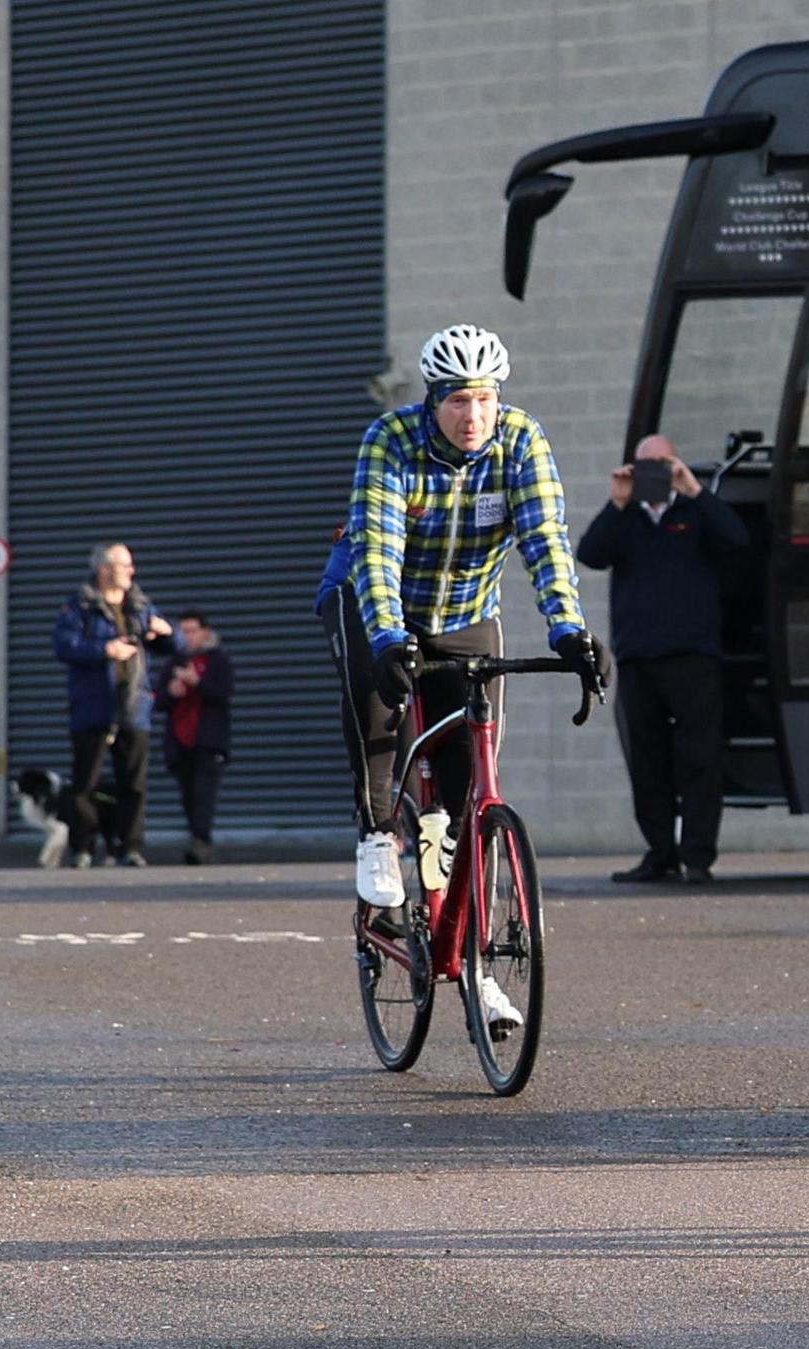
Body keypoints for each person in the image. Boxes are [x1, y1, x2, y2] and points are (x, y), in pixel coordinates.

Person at [317, 325, 603, 964]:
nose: (472, 416)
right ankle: (378, 838)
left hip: (467, 611)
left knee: (467, 778)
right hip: (371, 599)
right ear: (432, 399)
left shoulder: (522, 440)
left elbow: (546, 543)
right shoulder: (390, 441)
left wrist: (570, 631)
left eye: (483, 399)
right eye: (456, 401)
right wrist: (389, 639)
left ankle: (468, 949)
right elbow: (379, 551)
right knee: (378, 721)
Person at [576, 433, 750, 885]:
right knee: (647, 761)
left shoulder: (696, 512)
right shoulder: (625, 519)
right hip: (637, 659)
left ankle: (697, 858)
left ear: (676, 463)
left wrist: (694, 490)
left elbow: (738, 538)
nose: (654, 474)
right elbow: (590, 554)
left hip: (694, 657)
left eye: (663, 463)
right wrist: (617, 502)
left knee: (700, 760)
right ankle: (660, 854)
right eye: (644, 466)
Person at [48, 543, 169, 868]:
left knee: (134, 783)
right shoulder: (79, 606)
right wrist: (105, 650)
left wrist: (167, 634)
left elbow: (173, 646)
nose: (131, 571)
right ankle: (84, 847)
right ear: (104, 569)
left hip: (133, 706)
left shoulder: (140, 606)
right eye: (124, 565)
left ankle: (130, 847)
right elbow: (64, 645)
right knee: (85, 783)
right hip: (92, 707)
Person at [156, 611, 234, 865]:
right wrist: (171, 692)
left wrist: (197, 683)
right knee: (188, 794)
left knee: (204, 793)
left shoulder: (217, 660)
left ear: (205, 631)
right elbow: (159, 700)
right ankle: (197, 838)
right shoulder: (174, 662)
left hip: (208, 740)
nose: (187, 636)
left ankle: (201, 842)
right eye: (183, 631)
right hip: (179, 741)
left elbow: (223, 694)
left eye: (192, 630)